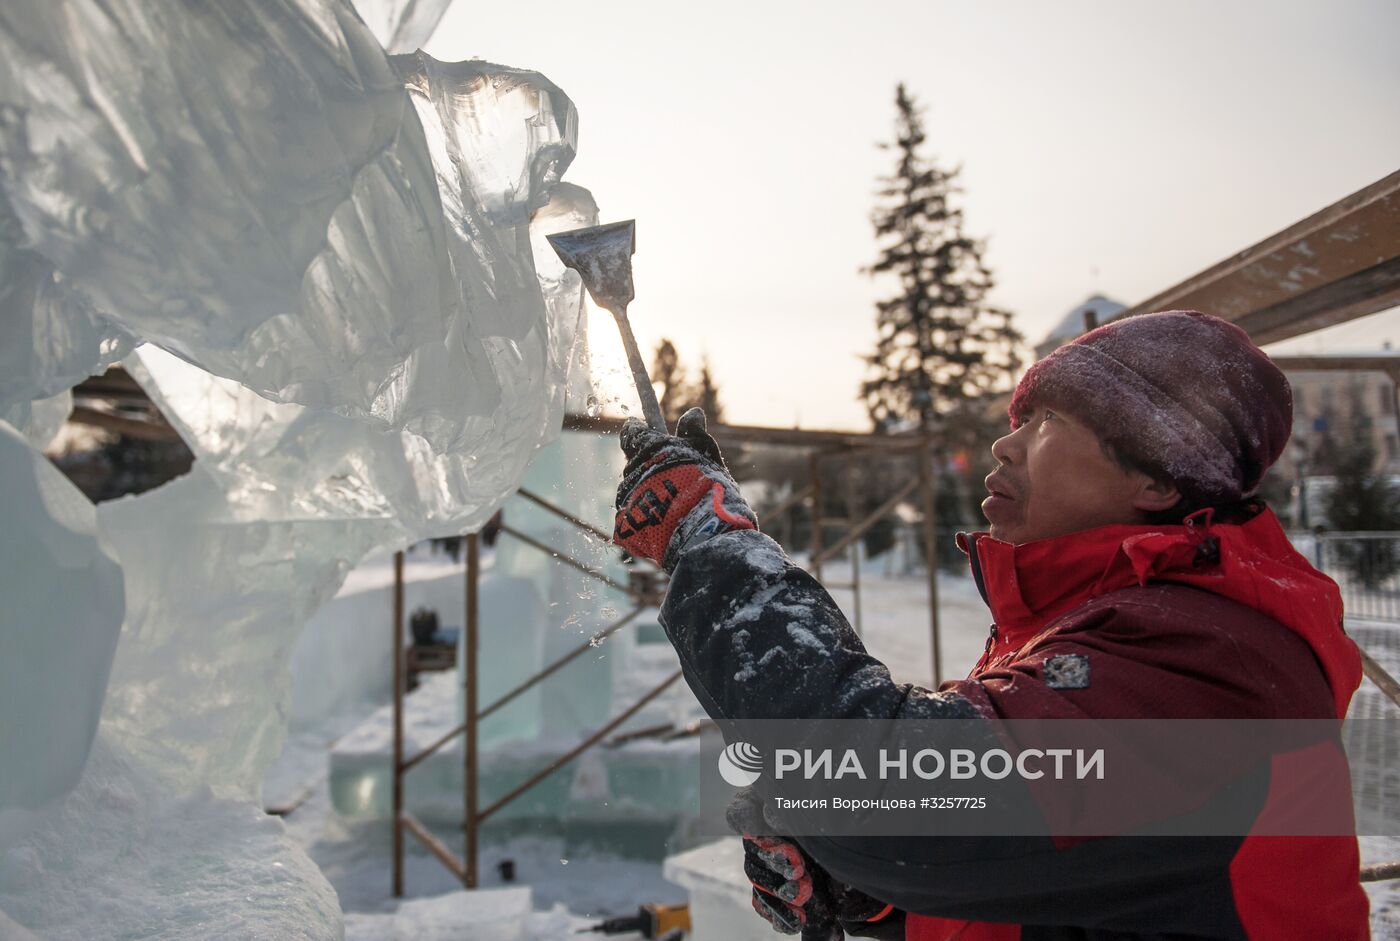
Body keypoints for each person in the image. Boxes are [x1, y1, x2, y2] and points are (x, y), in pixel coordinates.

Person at [612, 310, 1369, 941]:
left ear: (1157, 477)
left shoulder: (1209, 657)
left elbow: (892, 790)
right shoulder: (1094, 626)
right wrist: (873, 896)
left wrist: (714, 545)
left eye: (1047, 421)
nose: (1006, 441)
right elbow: (1046, 880)